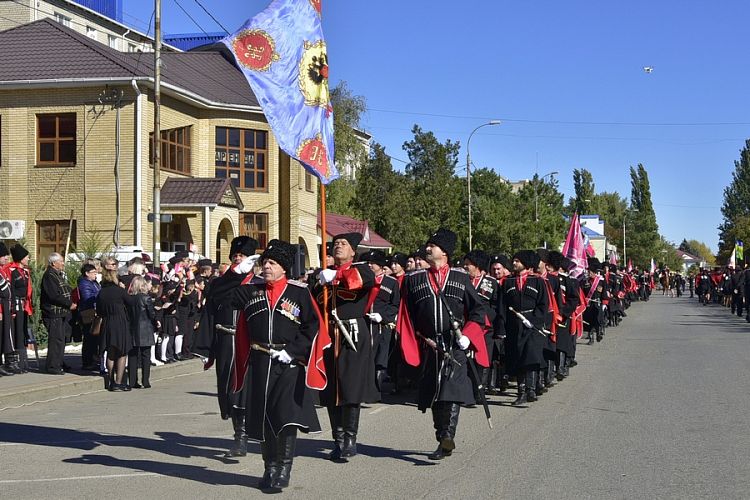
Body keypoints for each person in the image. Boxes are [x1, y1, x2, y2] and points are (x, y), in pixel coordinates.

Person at [231, 239, 328, 491]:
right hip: (260, 359)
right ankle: (269, 467)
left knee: (285, 417)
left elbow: (312, 325)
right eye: (264, 263)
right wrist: (236, 274)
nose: (266, 267)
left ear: (283, 267)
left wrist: (293, 351)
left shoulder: (299, 292)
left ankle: (283, 468)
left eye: (271, 263)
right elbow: (221, 298)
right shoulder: (252, 289)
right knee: (264, 418)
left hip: (288, 362)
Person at [398, 228, 488, 460]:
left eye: (433, 245)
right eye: (428, 245)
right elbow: (406, 314)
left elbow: (478, 310)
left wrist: (468, 333)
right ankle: (442, 436)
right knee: (435, 395)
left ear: (445, 252)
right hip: (429, 346)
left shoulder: (460, 278)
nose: (428, 248)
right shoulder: (414, 279)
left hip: (454, 345)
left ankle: (447, 437)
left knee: (451, 390)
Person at [312, 232, 378, 462]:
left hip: (352, 332)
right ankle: (337, 438)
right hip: (328, 334)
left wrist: (336, 275)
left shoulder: (363, 269)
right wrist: (320, 278)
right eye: (335, 243)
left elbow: (358, 281)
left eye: (343, 244)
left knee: (350, 387)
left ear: (353, 250)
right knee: (331, 389)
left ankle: (350, 438)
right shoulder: (321, 274)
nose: (338, 246)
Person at [193, 235, 259, 457]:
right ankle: (239, 436)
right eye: (235, 256)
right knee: (229, 389)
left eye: (242, 256)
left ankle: (250, 434)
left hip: (250, 342)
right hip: (225, 339)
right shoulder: (220, 283)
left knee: (246, 389)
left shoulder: (257, 283)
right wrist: (205, 348)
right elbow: (211, 311)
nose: (238, 259)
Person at [500, 250, 549, 406]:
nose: (514, 263)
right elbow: (502, 306)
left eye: (517, 261)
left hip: (532, 326)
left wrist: (534, 320)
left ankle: (531, 390)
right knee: (518, 358)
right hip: (514, 325)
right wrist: (502, 328)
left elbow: (543, 305)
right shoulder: (508, 282)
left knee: (531, 357)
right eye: (513, 260)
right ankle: (521, 392)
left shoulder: (538, 282)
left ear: (526, 263)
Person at [360, 249, 400, 394]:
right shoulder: (363, 280)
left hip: (382, 326)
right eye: (368, 263)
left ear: (381, 266)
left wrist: (382, 316)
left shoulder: (391, 283)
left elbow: (395, 305)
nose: (370, 266)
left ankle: (377, 388)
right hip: (365, 323)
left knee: (380, 358)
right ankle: (366, 388)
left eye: (373, 263)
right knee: (365, 356)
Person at [97, 269, 135, 390]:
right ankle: (118, 382)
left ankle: (111, 380)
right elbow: (131, 303)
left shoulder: (101, 292)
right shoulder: (120, 291)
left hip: (107, 322)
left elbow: (99, 310)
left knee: (111, 352)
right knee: (122, 352)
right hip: (120, 322)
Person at [40, 252, 76, 375]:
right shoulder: (49, 276)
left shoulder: (57, 274)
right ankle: (53, 366)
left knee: (61, 339)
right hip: (53, 312)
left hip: (61, 313)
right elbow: (54, 295)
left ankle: (59, 362)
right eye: (60, 261)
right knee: (56, 340)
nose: (62, 263)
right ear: (54, 263)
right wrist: (68, 304)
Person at [128, 276, 156, 389]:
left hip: (132, 328)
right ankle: (145, 381)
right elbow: (151, 314)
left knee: (133, 356)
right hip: (145, 328)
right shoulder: (146, 298)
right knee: (145, 355)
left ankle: (132, 381)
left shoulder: (129, 298)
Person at [7, 245, 32, 373]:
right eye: (27, 257)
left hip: (24, 305)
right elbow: (11, 289)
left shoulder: (25, 272)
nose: (28, 259)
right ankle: (14, 362)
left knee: (22, 331)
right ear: (21, 258)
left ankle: (23, 362)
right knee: (16, 332)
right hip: (16, 306)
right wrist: (12, 309)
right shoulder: (12, 271)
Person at [77, 263, 101, 371]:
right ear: (87, 273)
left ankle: (94, 359)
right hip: (88, 313)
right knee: (88, 338)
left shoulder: (94, 282)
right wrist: (100, 296)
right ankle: (87, 362)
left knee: (94, 338)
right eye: (93, 273)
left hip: (95, 312)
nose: (95, 274)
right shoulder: (84, 283)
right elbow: (88, 297)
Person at [0, 243, 15, 376]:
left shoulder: (2, 271)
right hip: (1, 309)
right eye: (4, 255)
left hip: (6, 308)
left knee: (3, 337)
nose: (6, 258)